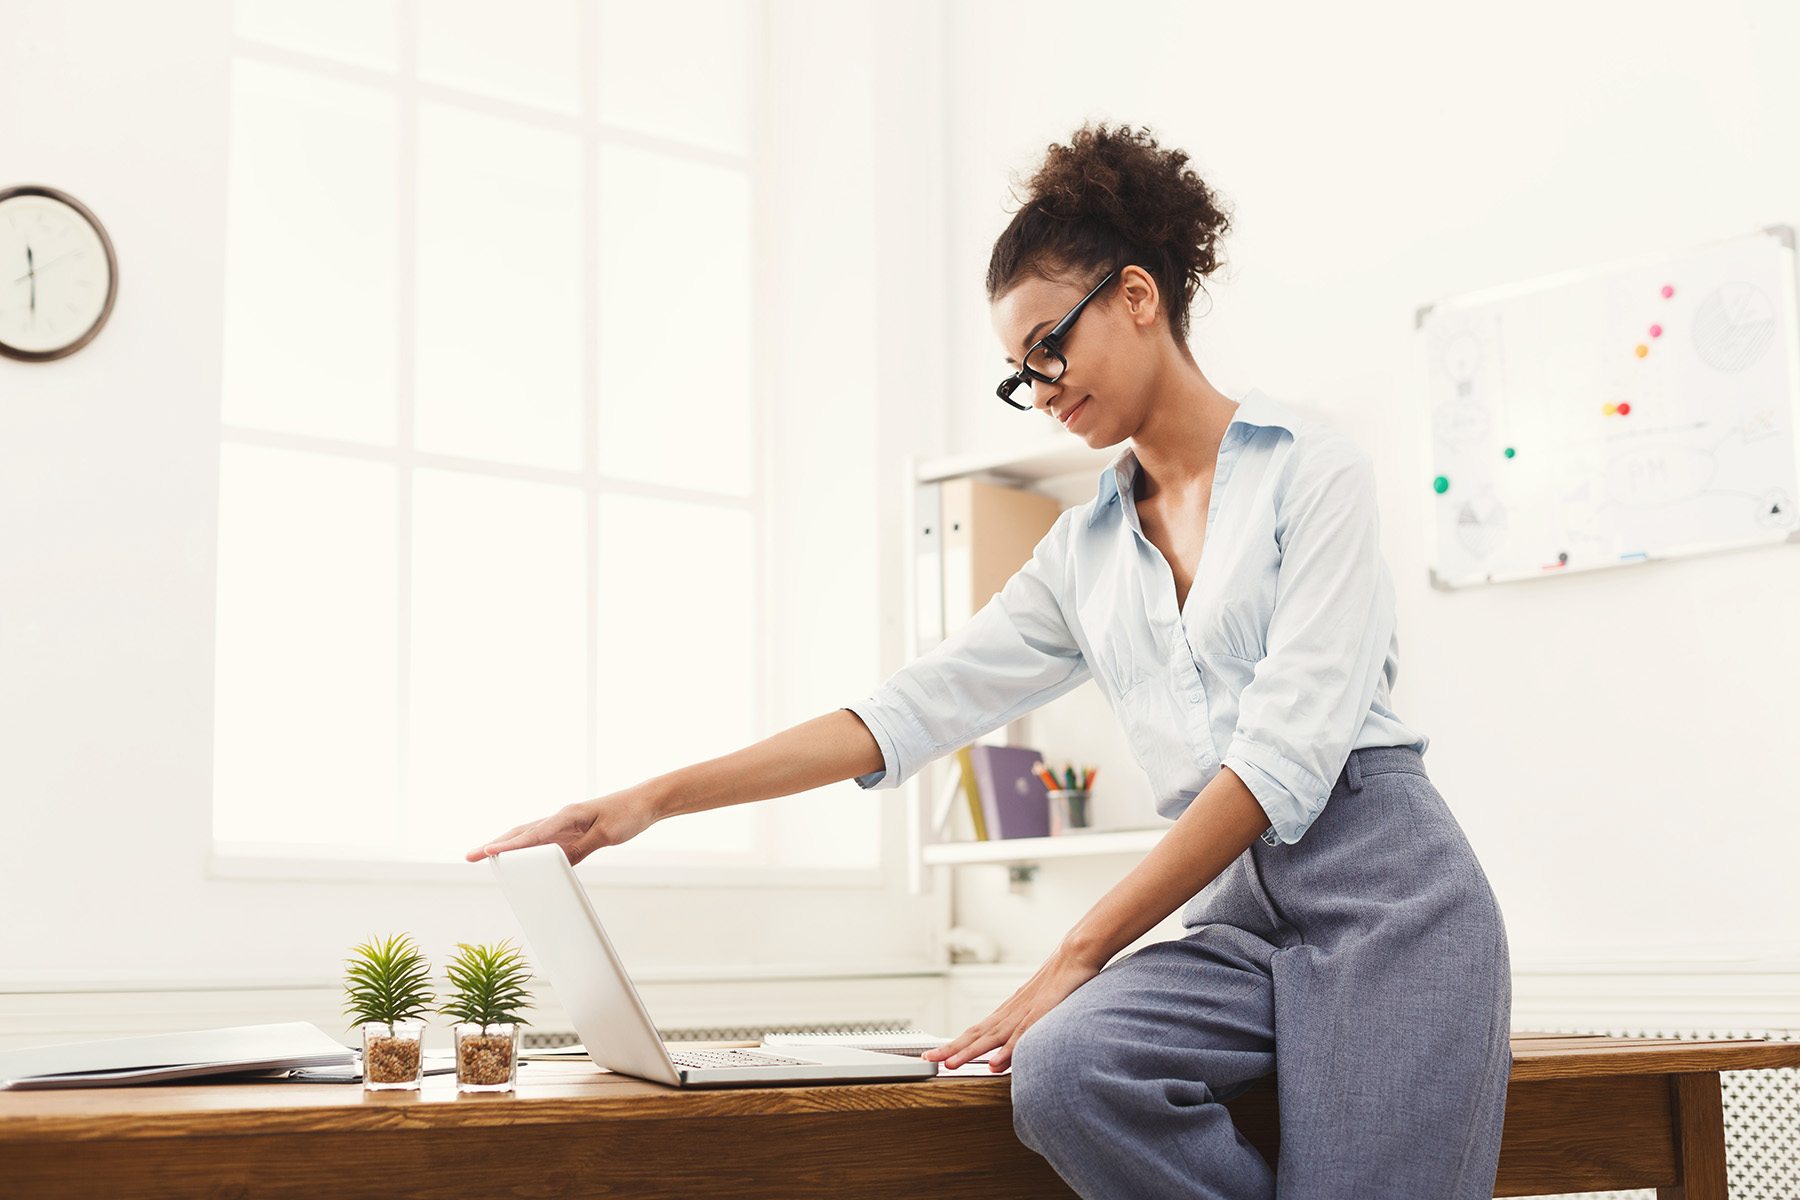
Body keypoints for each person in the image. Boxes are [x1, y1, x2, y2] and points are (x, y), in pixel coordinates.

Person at [467, 120, 1511, 1200]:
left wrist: (1073, 955)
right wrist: (644, 803)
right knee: (1066, 1071)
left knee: (1074, 1022)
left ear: (1138, 298)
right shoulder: (1086, 552)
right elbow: (906, 711)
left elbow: (1282, 765)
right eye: (1021, 375)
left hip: (1390, 902)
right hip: (1235, 916)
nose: (1042, 386)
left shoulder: (1315, 475)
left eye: (1047, 348)